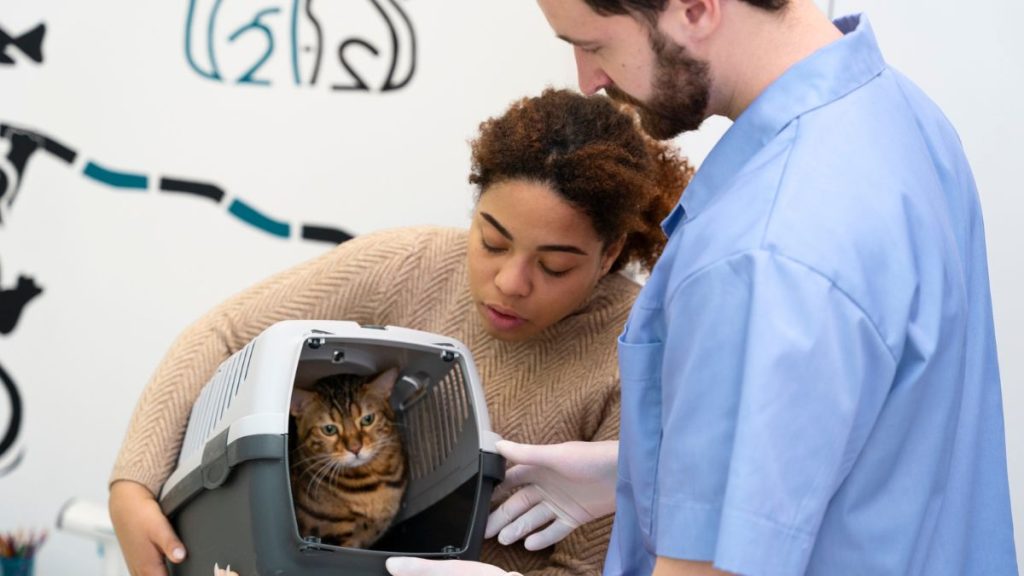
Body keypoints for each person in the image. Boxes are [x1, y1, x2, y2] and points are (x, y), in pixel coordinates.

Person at [389, 1, 1019, 575]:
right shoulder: (896, 116)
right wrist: (633, 473)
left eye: (595, 45)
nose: (589, 80)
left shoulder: (764, 252)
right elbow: (877, 439)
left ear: (695, 8)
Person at [107, 88, 692, 576]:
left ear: (611, 251)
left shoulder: (639, 353)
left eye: (555, 265)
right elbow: (224, 336)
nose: (511, 282)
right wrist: (132, 487)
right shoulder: (409, 262)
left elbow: (585, 566)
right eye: (491, 241)